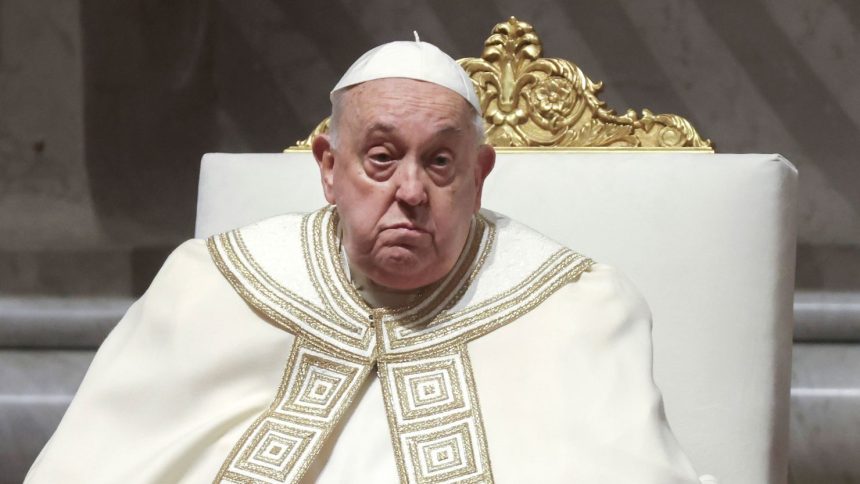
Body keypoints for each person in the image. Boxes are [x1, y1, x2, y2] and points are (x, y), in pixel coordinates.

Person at [26, 38, 704, 483]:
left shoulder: (575, 309)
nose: (410, 192)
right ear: (328, 166)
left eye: (440, 162)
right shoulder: (214, 286)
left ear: (480, 175)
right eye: (381, 158)